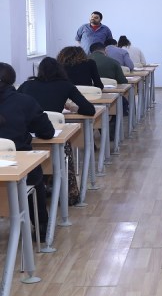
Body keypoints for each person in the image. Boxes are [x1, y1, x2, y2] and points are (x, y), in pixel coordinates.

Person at [18, 57, 96, 205]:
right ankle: (68, 193)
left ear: (39, 71)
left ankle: (42, 186)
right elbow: (89, 110)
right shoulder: (66, 85)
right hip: (51, 137)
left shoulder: (27, 85)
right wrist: (73, 107)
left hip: (26, 138)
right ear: (60, 70)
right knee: (65, 146)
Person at [0, 62, 55, 241]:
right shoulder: (24, 101)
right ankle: (41, 226)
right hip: (19, 170)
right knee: (34, 175)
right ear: (12, 80)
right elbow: (47, 132)